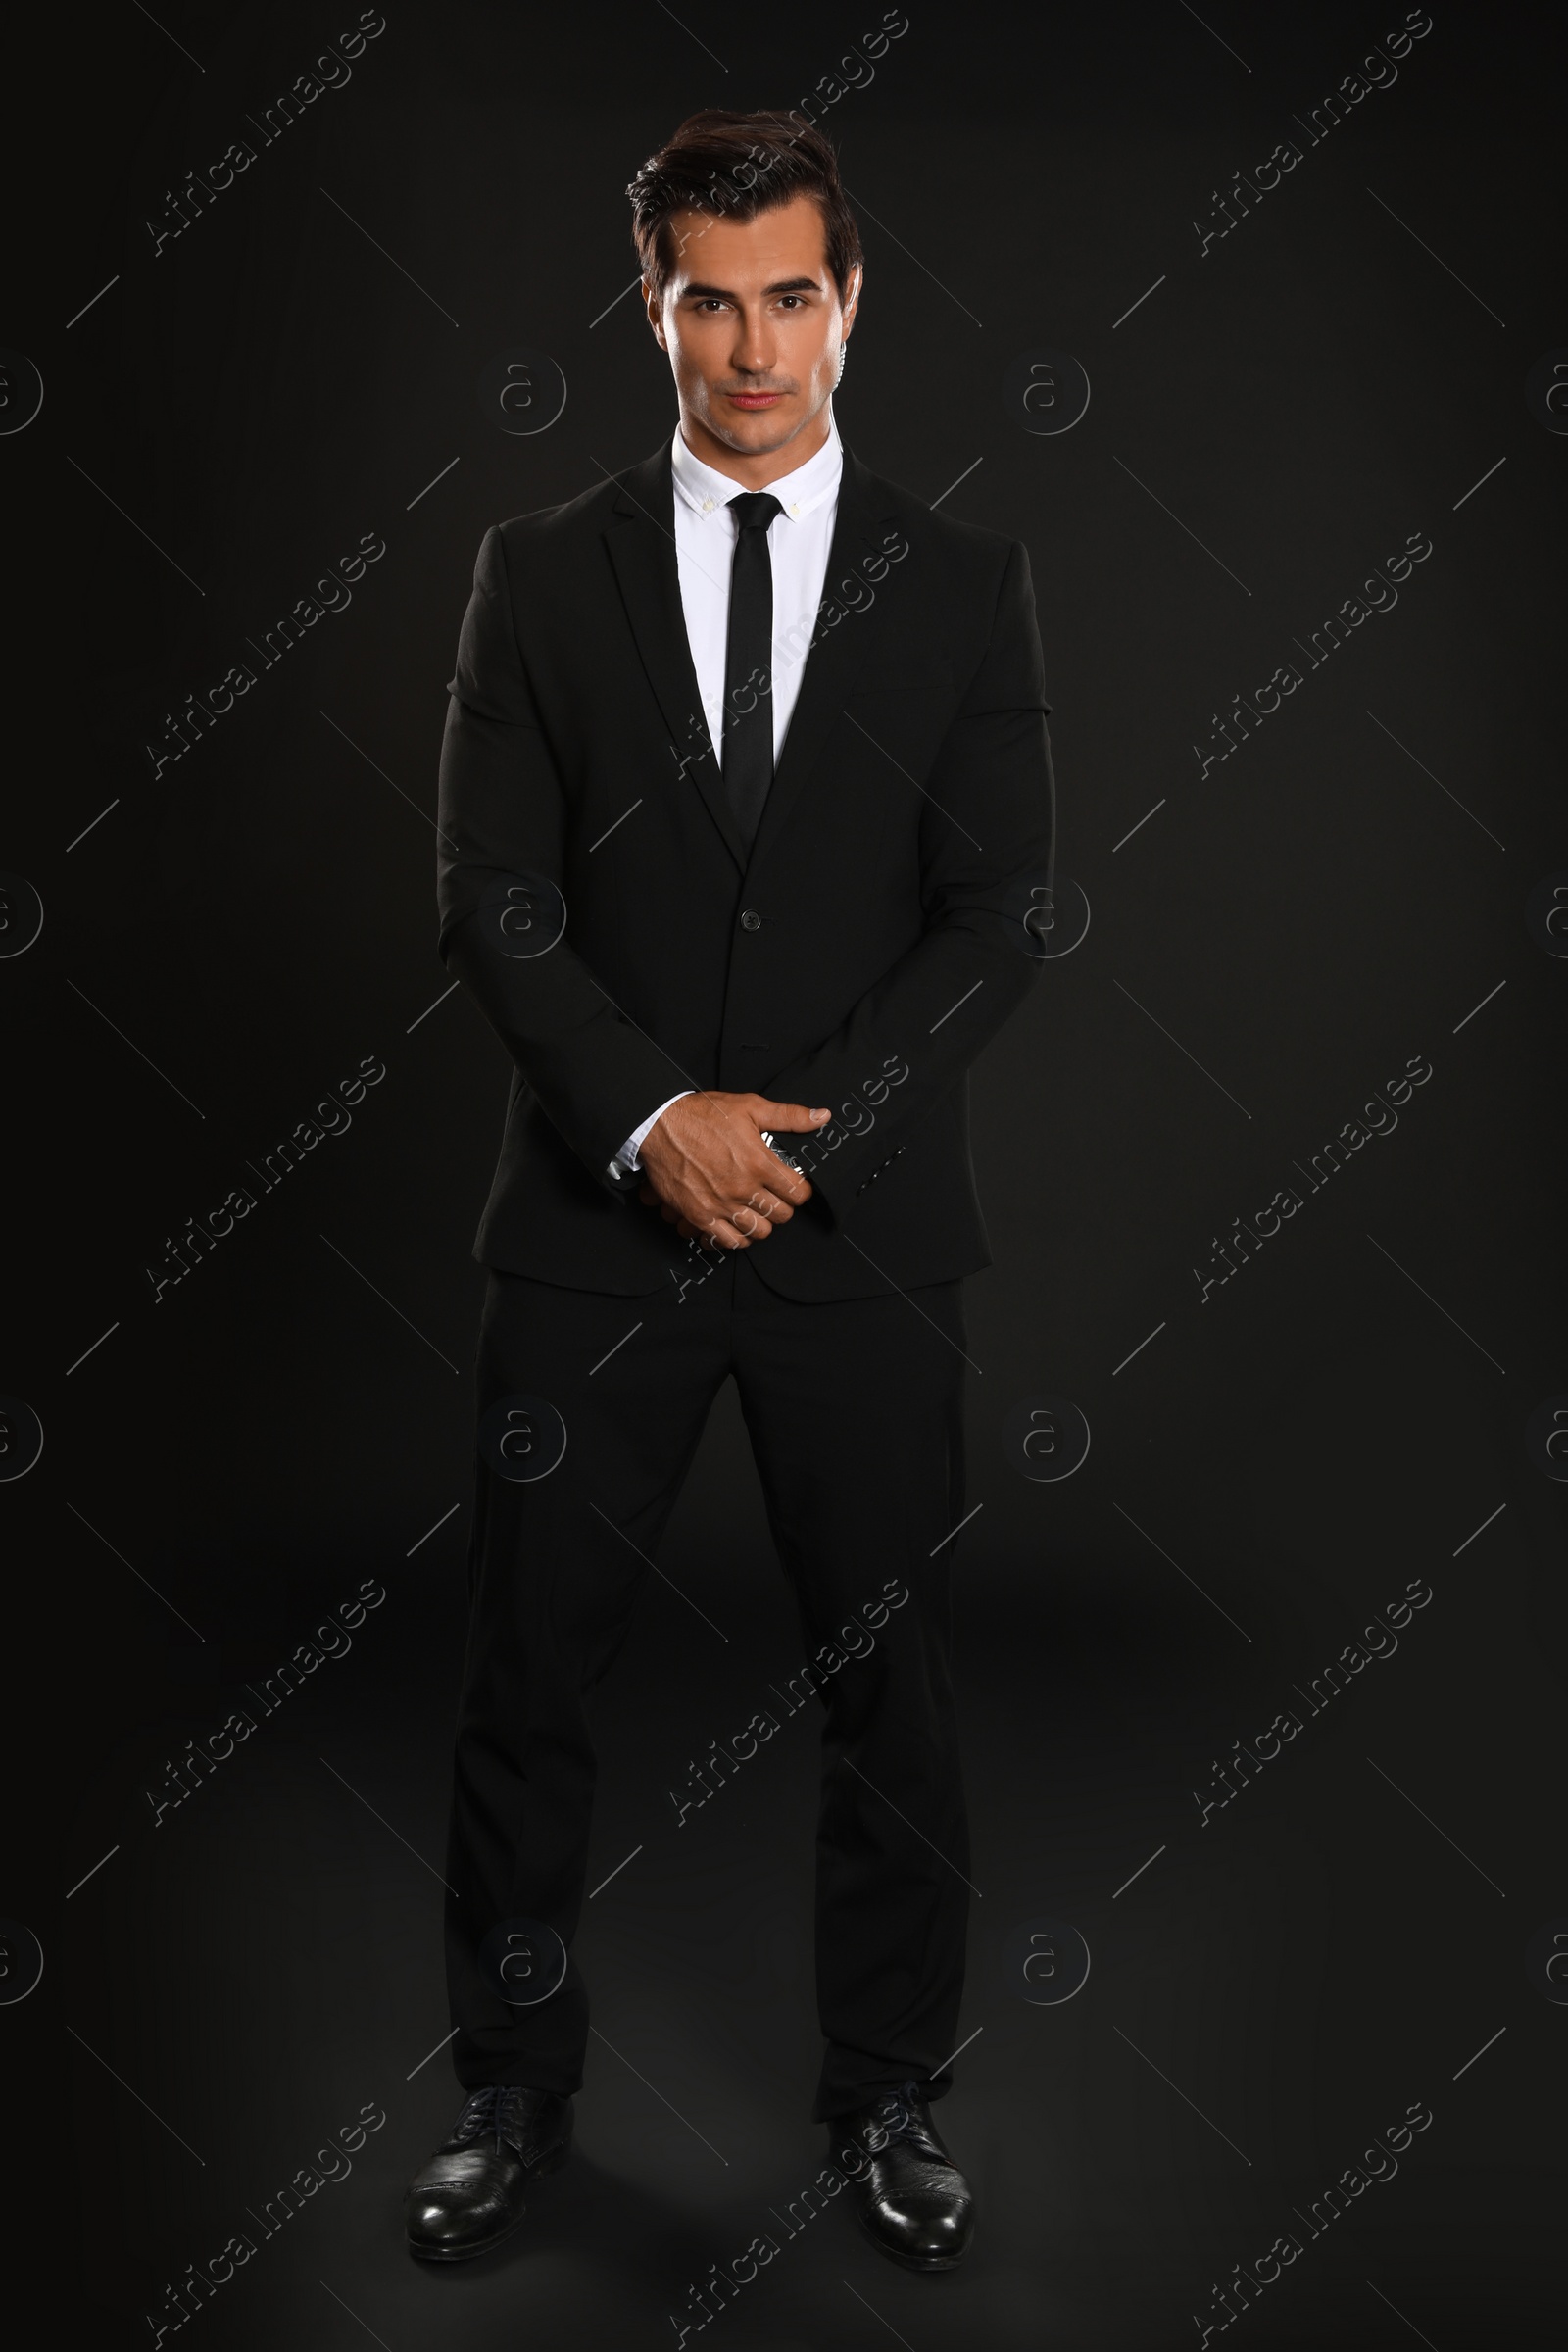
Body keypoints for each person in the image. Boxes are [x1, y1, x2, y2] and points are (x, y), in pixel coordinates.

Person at [403, 105, 1055, 2275]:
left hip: (856, 1235)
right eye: (708, 294)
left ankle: (887, 2102)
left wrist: (802, 1138)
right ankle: (513, 2095)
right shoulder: (539, 570)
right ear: (653, 305)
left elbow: (995, 915)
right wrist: (647, 1122)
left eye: (790, 293)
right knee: (524, 1675)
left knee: (893, 1687)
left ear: (847, 302)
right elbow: (487, 896)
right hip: (590, 1226)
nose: (750, 342)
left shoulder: (960, 585)